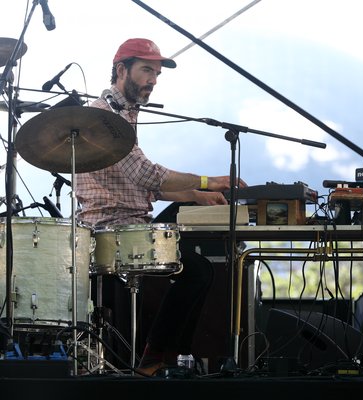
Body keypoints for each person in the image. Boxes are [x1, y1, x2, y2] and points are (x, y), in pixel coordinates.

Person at [75, 38, 247, 375]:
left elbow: (136, 186)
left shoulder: (124, 111)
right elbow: (147, 174)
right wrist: (206, 183)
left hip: (129, 219)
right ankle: (158, 359)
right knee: (197, 270)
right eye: (146, 70)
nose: (153, 79)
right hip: (110, 228)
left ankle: (166, 359)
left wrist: (192, 197)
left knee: (201, 263)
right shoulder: (105, 116)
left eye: (156, 72)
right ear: (121, 69)